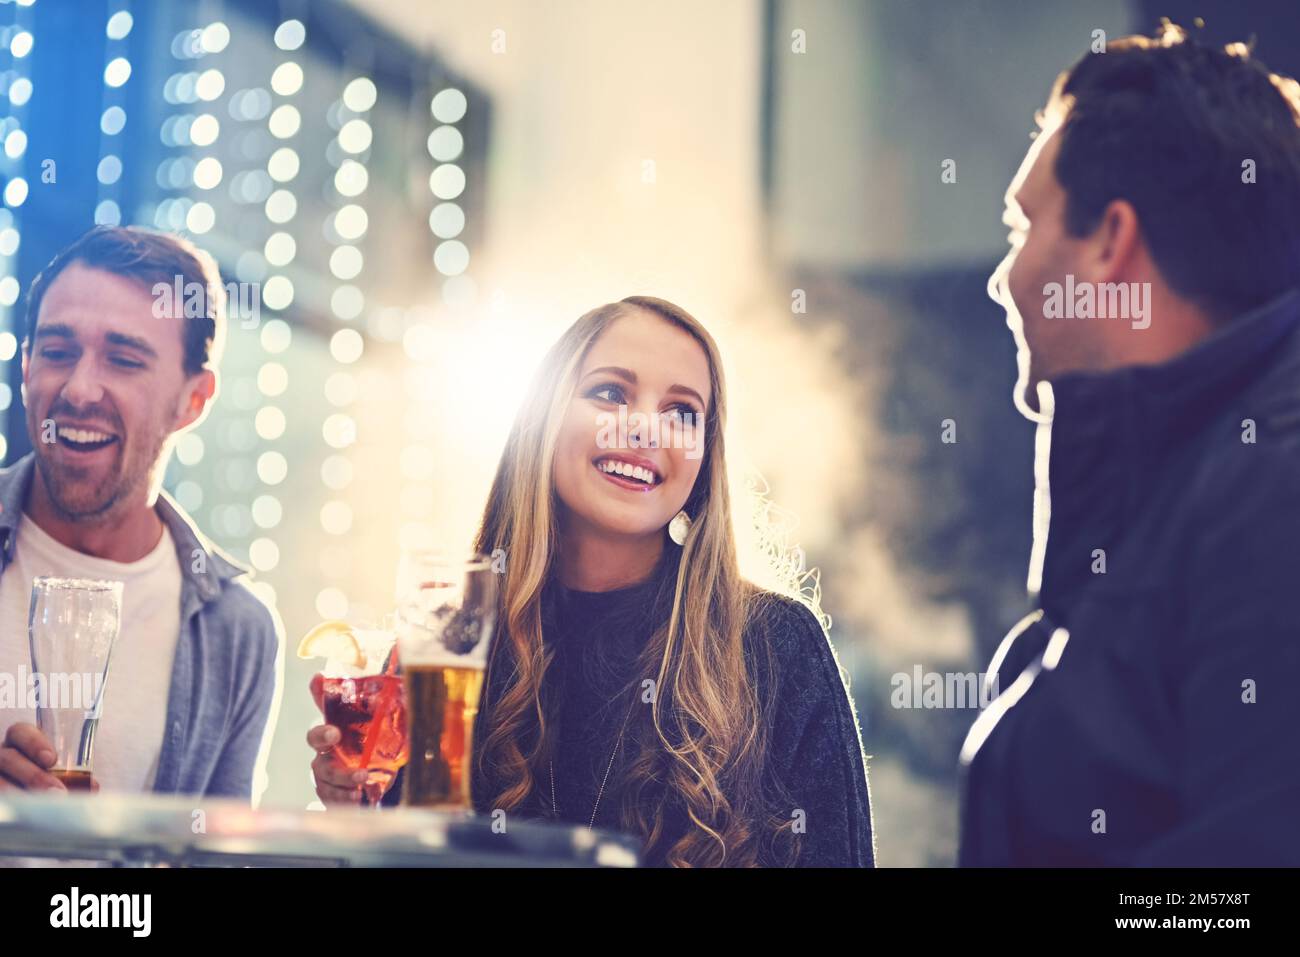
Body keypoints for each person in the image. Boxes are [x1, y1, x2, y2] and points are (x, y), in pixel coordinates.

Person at [309, 295, 875, 867]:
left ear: (704, 461)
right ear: (543, 420)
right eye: (609, 393)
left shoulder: (776, 646)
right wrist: (358, 814)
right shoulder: (449, 644)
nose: (644, 429)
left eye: (682, 412)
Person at [961, 21, 1300, 865]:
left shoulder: (1275, 495)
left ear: (1112, 240)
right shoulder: (1181, 493)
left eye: (1021, 228)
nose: (1004, 279)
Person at [0, 226, 283, 803]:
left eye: (124, 361)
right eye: (57, 352)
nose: (79, 389)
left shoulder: (237, 631)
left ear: (193, 400)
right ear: (27, 366)